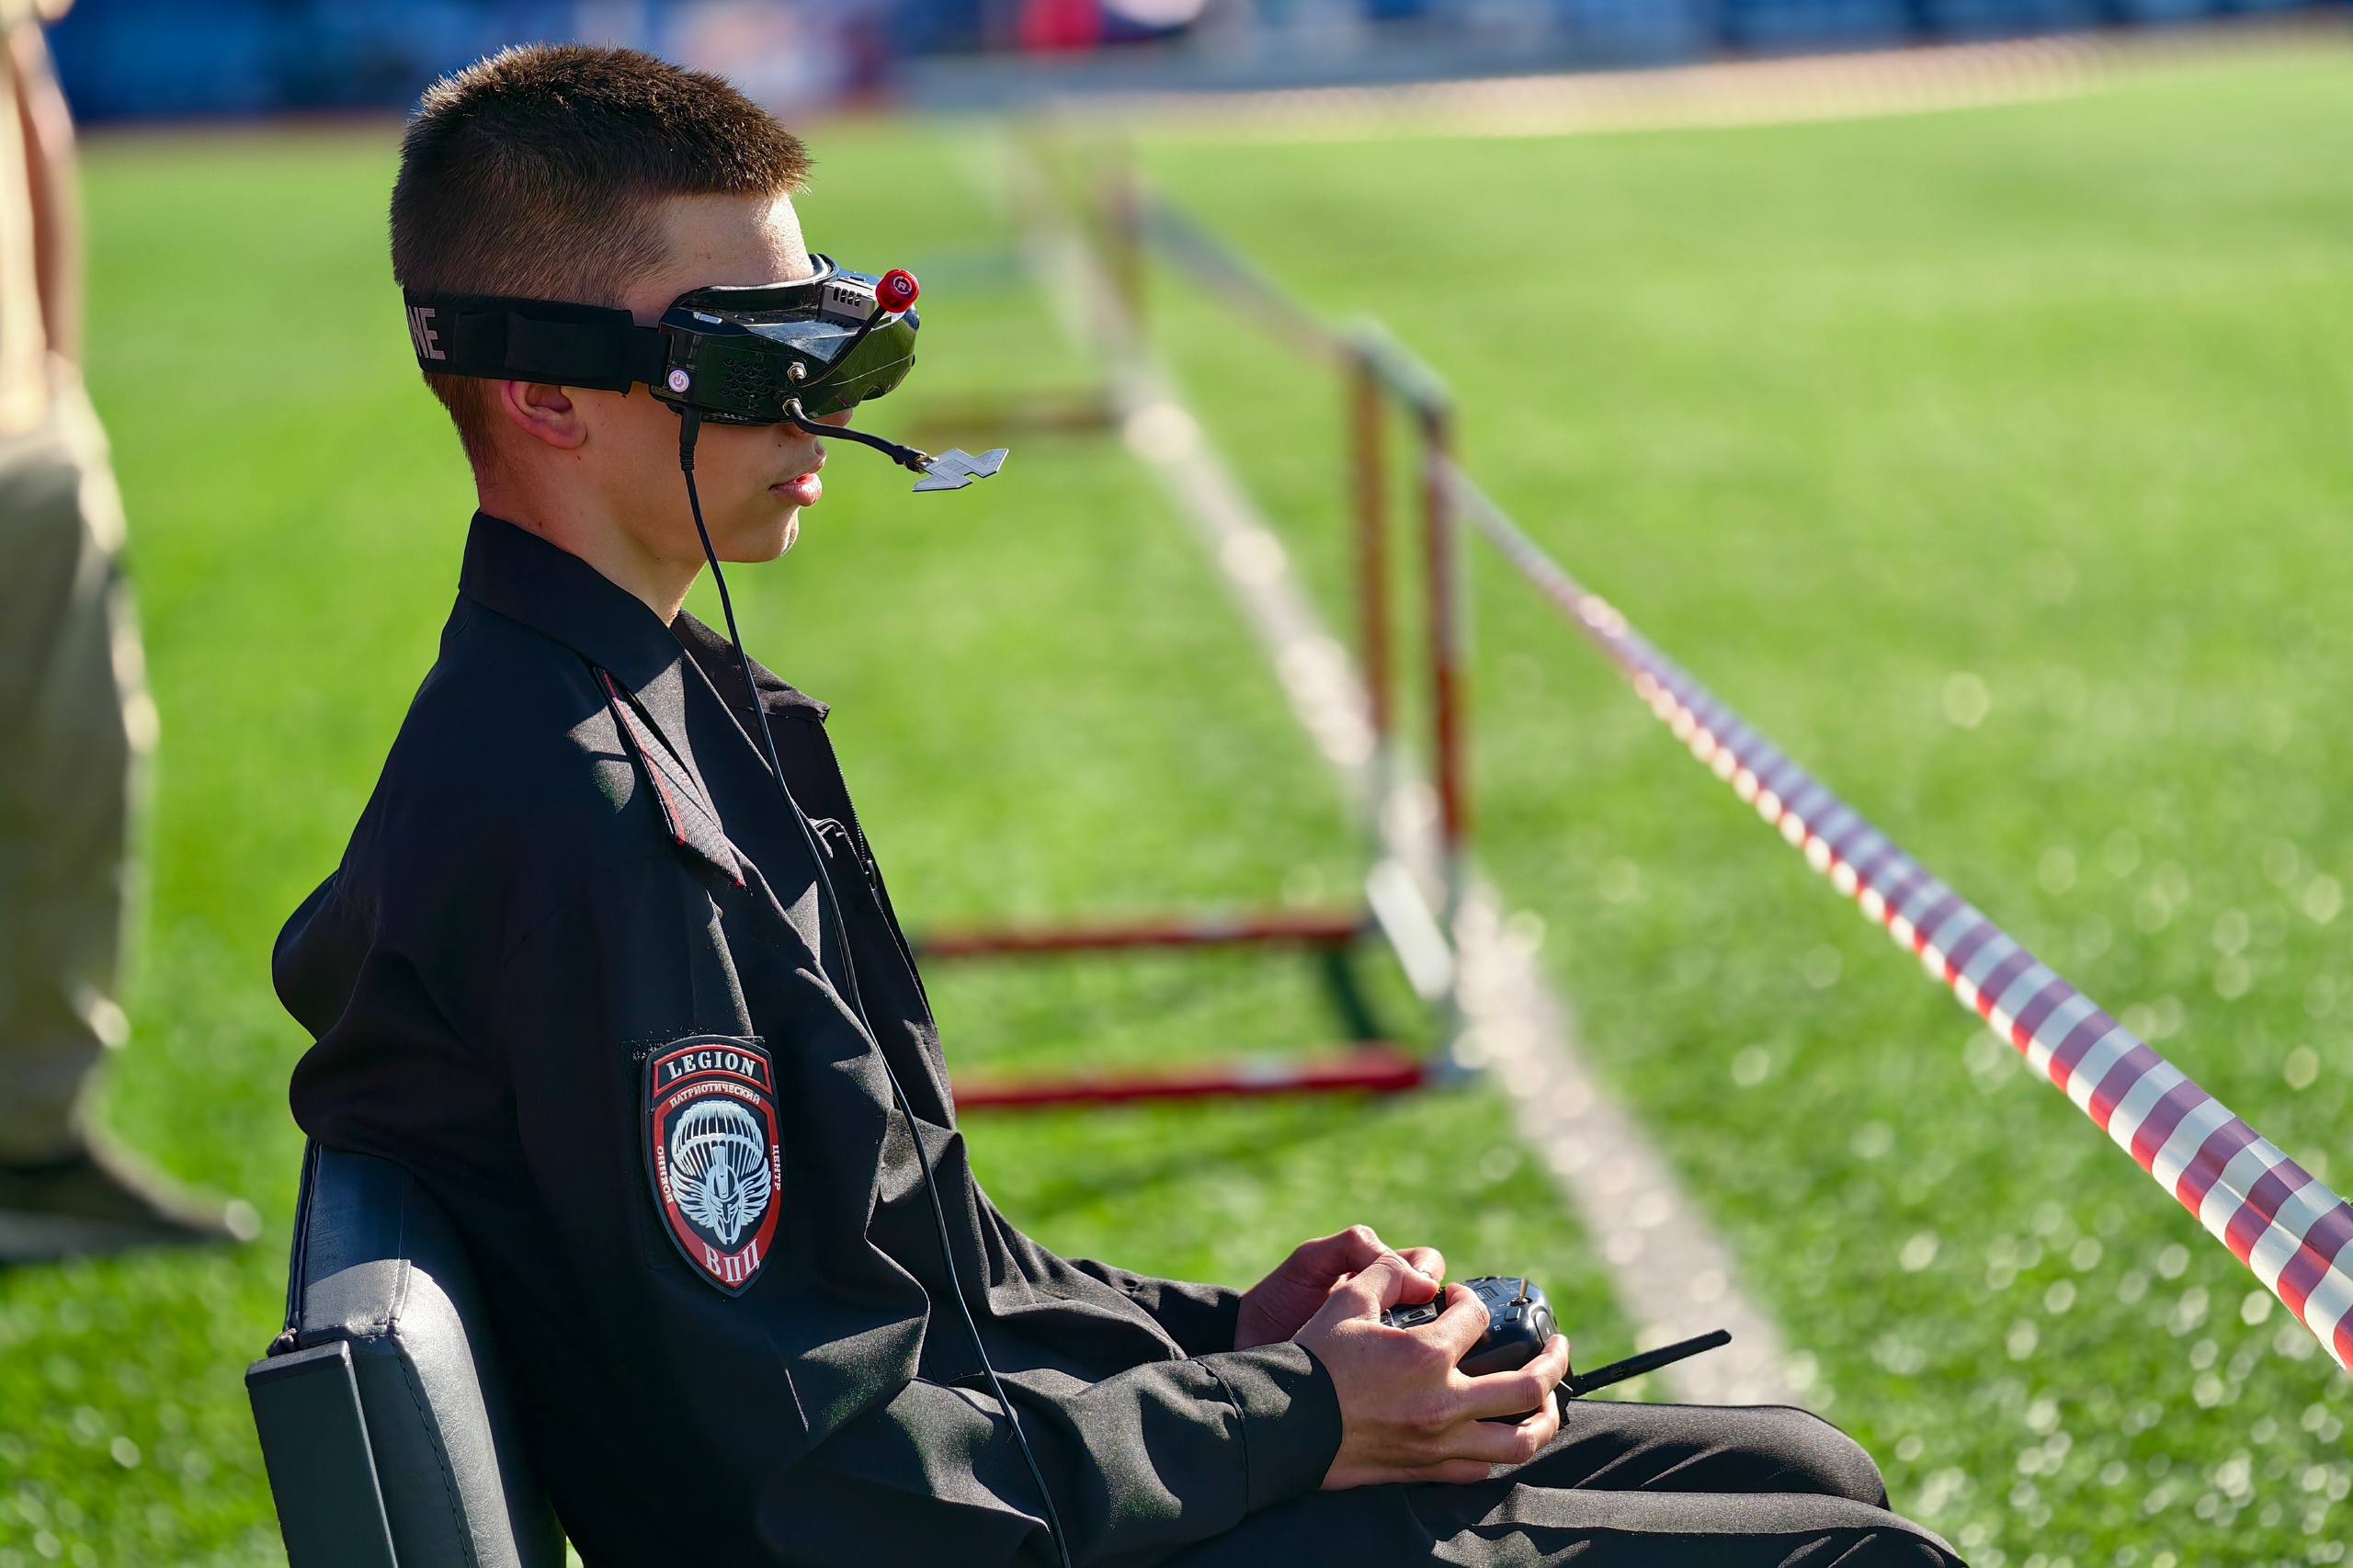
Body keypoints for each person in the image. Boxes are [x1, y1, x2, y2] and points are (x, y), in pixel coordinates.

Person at [273, 43, 1966, 1566]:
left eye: (838, 335)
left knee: (1807, 1465)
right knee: (1847, 1559)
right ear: (541, 390)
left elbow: (936, 1278)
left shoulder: (650, 701)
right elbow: (824, 1494)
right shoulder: (586, 823)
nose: (824, 406)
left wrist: (1237, 1334)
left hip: (998, 1491)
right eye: (752, 354)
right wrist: (1298, 1410)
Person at [0, 0, 251, 1259]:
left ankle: (33, 1141)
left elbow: (22, 77)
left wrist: (56, 375)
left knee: (74, 784)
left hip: (22, 433)